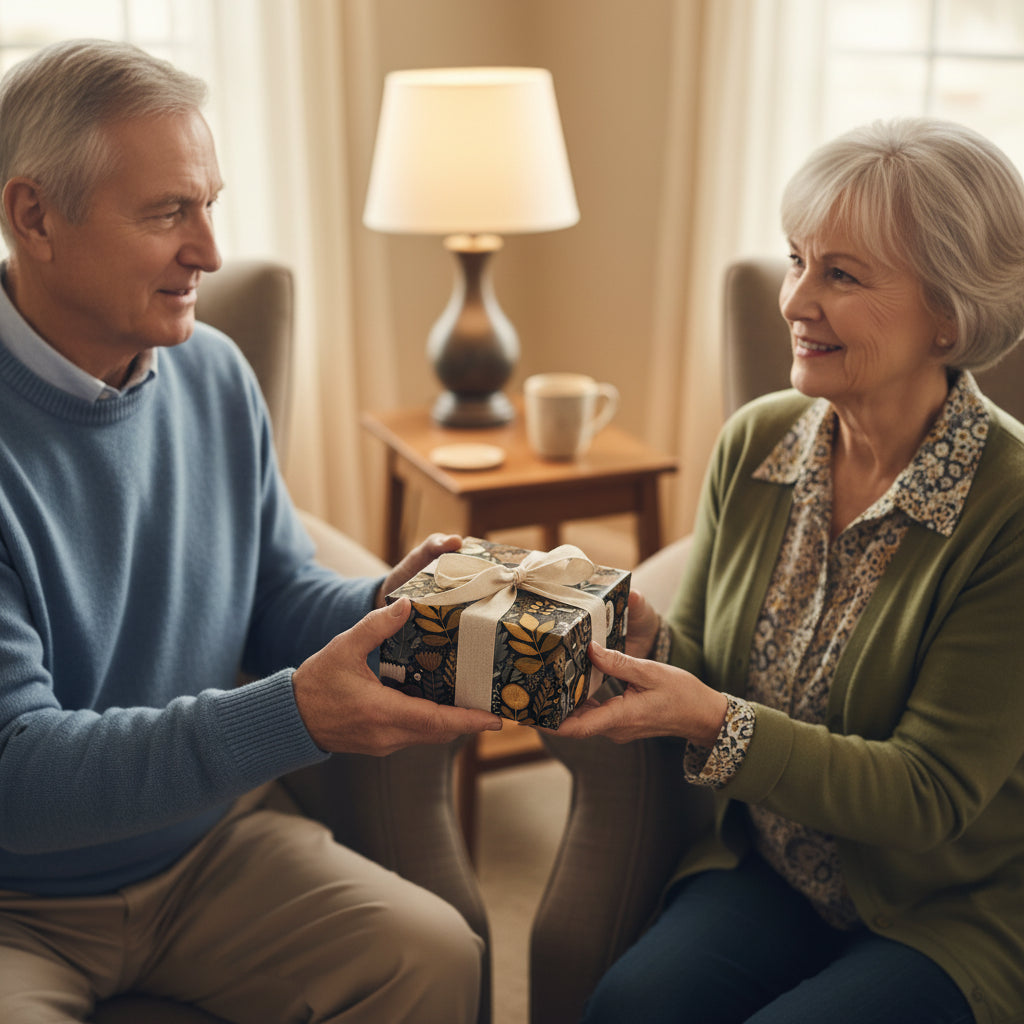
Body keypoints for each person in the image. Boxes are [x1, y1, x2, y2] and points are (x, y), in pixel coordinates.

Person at [0, 38, 503, 1023]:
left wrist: (380, 607)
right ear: (33, 215)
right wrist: (296, 716)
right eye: (166, 213)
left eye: (208, 205)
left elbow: (272, 595)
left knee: (436, 954)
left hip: (207, 853)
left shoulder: (212, 373)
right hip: (16, 900)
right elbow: (19, 774)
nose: (210, 252)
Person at [557, 118, 1024, 1024]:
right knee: (629, 1009)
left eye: (841, 274)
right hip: (773, 867)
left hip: (949, 909)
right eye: (795, 260)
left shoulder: (1009, 510)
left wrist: (712, 718)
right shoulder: (759, 441)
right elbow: (711, 663)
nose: (795, 301)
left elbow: (928, 795)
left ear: (949, 314)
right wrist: (649, 639)